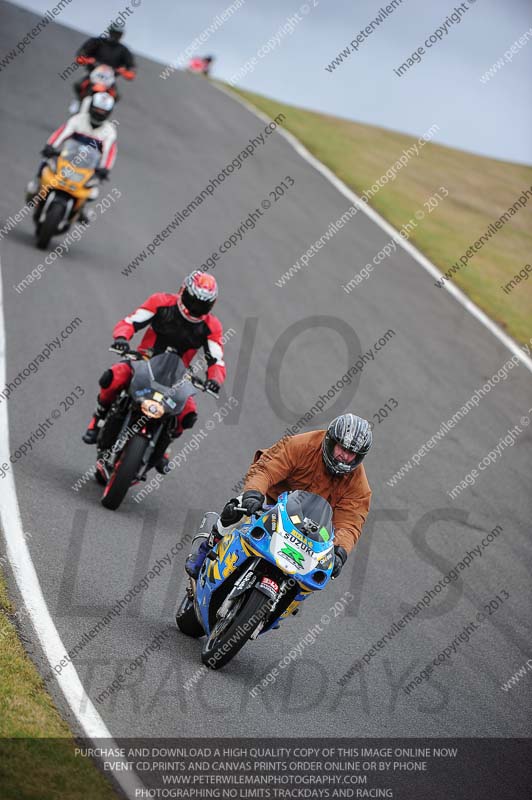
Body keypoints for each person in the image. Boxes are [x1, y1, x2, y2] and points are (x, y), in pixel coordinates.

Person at [185, 413, 373, 579]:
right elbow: (266, 469)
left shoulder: (359, 486)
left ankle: (279, 608)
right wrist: (254, 493)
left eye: (352, 454)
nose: (345, 457)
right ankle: (206, 551)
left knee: (321, 568)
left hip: (314, 529)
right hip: (277, 506)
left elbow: (350, 524)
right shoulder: (302, 445)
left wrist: (340, 552)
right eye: (342, 448)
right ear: (331, 441)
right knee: (239, 506)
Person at [82, 272, 225, 472]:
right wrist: (122, 338)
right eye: (193, 301)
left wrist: (214, 380)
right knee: (112, 378)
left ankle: (165, 447)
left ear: (211, 305)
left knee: (188, 414)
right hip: (144, 360)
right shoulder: (161, 302)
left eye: (202, 305)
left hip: (177, 375)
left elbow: (217, 359)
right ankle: (98, 418)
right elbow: (131, 321)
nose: (195, 308)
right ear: (184, 291)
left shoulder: (211, 326)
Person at [26, 92, 117, 221]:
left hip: (89, 166)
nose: (99, 113)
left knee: (93, 187)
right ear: (91, 107)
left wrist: (105, 169)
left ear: (108, 113)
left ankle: (81, 209)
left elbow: (110, 151)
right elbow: (62, 133)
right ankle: (36, 187)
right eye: (97, 109)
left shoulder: (110, 131)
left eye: (103, 111)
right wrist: (50, 146)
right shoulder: (78, 120)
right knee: (46, 164)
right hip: (67, 157)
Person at [73, 23, 136, 105]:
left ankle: (105, 111)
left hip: (109, 79)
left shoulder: (123, 50)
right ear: (110, 32)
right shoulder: (97, 42)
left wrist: (127, 72)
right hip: (93, 73)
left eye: (118, 34)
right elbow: (83, 52)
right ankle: (78, 102)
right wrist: (85, 59)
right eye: (114, 33)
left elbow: (131, 66)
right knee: (78, 85)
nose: (115, 36)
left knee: (116, 96)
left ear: (121, 36)